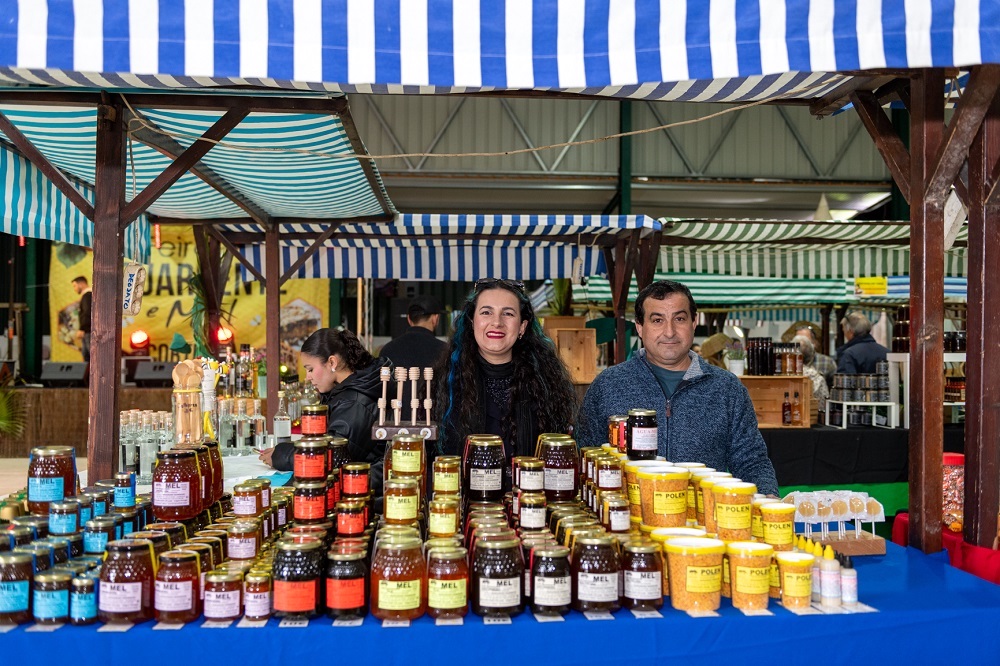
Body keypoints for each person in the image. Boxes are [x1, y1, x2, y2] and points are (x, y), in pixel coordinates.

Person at [577, 280, 778, 496]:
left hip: (703, 524)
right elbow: (583, 457)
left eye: (679, 319)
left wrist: (768, 498)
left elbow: (752, 461)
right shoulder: (609, 385)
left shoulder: (727, 389)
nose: (669, 332)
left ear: (693, 322)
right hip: (622, 522)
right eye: (657, 320)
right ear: (639, 327)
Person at [433, 278, 577, 490]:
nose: (497, 322)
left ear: (522, 327)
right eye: (486, 312)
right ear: (472, 322)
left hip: (529, 508)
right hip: (464, 510)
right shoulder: (443, 384)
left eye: (508, 313)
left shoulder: (547, 386)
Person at [260, 328, 392, 492]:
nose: (308, 377)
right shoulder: (347, 392)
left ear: (332, 362)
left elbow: (331, 457)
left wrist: (283, 455)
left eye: (310, 369)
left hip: (359, 493)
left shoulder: (355, 403)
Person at [379, 294, 448, 411]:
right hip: (432, 422)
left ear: (409, 319)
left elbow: (382, 390)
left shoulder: (388, 350)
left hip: (395, 423)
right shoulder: (445, 351)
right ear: (435, 319)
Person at [792, 334, 829, 413]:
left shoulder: (782, 375)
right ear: (811, 355)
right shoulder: (818, 378)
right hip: (813, 420)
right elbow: (824, 407)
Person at [794, 323, 835, 388]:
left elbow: (834, 387)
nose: (801, 343)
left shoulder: (827, 362)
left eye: (805, 340)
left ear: (814, 342)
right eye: (798, 340)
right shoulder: (788, 364)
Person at [72, 276, 92, 362]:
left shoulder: (88, 295)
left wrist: (82, 328)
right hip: (87, 331)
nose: (74, 289)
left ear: (81, 284)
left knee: (90, 357)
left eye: (75, 286)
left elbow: (88, 312)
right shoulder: (87, 295)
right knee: (86, 356)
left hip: (88, 331)